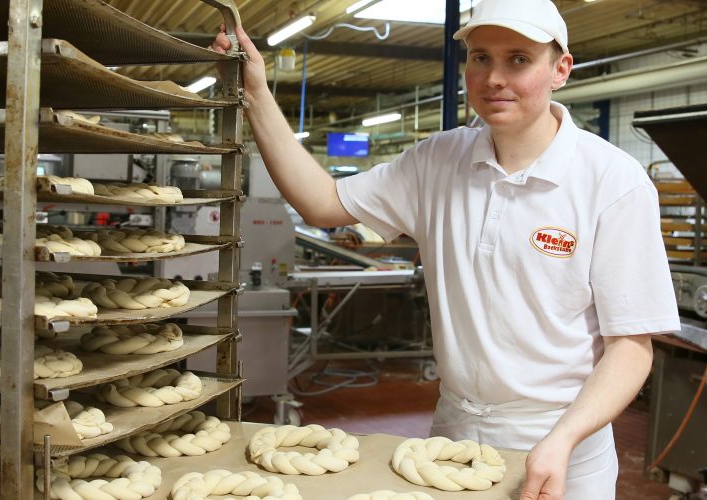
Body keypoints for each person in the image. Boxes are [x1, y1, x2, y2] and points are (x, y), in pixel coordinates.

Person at [212, 0, 680, 498]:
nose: (494, 78)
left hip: (563, 446)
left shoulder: (611, 181)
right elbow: (323, 204)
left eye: (518, 59)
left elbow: (631, 349)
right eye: (481, 58)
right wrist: (256, 93)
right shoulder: (436, 161)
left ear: (559, 69)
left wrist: (562, 439)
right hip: (452, 438)